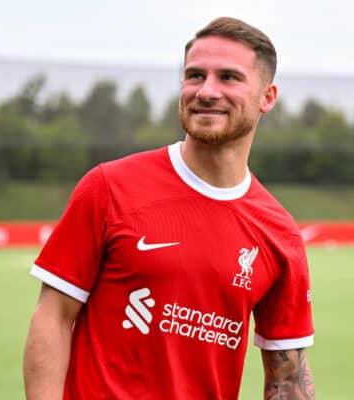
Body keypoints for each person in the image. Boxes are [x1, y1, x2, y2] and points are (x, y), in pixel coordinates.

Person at [23, 16, 315, 400]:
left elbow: (287, 377)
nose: (207, 91)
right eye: (195, 75)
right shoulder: (109, 187)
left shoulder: (280, 234)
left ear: (267, 97)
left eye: (229, 77)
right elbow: (54, 317)